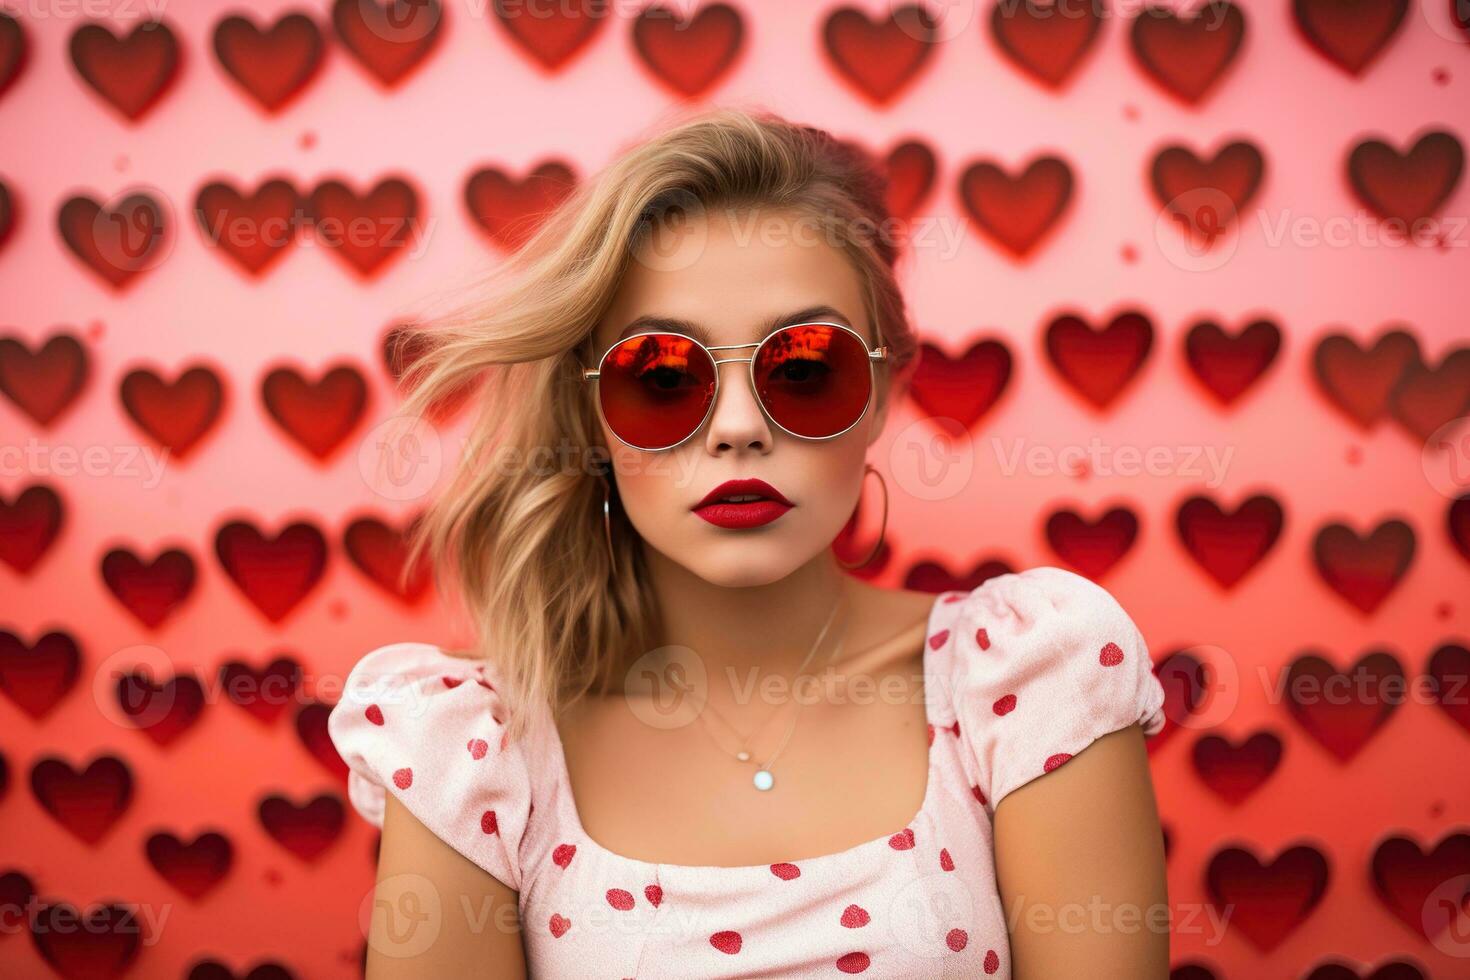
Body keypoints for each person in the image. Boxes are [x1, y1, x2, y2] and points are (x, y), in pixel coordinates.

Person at [327, 104, 1170, 978]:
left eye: (803, 368)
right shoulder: (470, 751)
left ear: (883, 390)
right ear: (592, 415)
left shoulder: (1030, 684)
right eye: (661, 373)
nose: (737, 429)